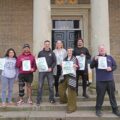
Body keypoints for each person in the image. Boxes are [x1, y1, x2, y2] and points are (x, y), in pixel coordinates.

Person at [90, 44, 120, 117]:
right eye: (100, 49)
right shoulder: (96, 58)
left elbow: (115, 66)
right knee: (100, 96)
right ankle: (98, 109)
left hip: (110, 80)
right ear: (98, 50)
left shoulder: (110, 57)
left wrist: (111, 68)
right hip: (100, 81)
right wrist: (94, 60)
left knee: (112, 96)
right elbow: (91, 66)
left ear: (105, 50)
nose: (101, 50)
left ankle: (115, 109)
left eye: (103, 49)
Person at [36, 40, 56, 105]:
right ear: (44, 45)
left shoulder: (52, 53)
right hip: (42, 71)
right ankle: (38, 100)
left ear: (49, 45)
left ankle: (51, 99)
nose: (47, 45)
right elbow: (38, 62)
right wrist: (36, 62)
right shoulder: (40, 53)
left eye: (48, 44)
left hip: (49, 71)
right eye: (46, 44)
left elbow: (54, 62)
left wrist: (51, 68)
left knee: (51, 86)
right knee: (40, 85)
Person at [59, 48, 79, 113]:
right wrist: (61, 65)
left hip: (72, 76)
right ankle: (64, 100)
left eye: (70, 51)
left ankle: (72, 108)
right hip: (64, 76)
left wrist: (75, 66)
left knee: (71, 92)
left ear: (72, 52)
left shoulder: (75, 59)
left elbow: (78, 66)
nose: (69, 52)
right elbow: (62, 67)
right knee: (60, 89)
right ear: (67, 52)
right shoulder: (64, 59)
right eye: (68, 51)